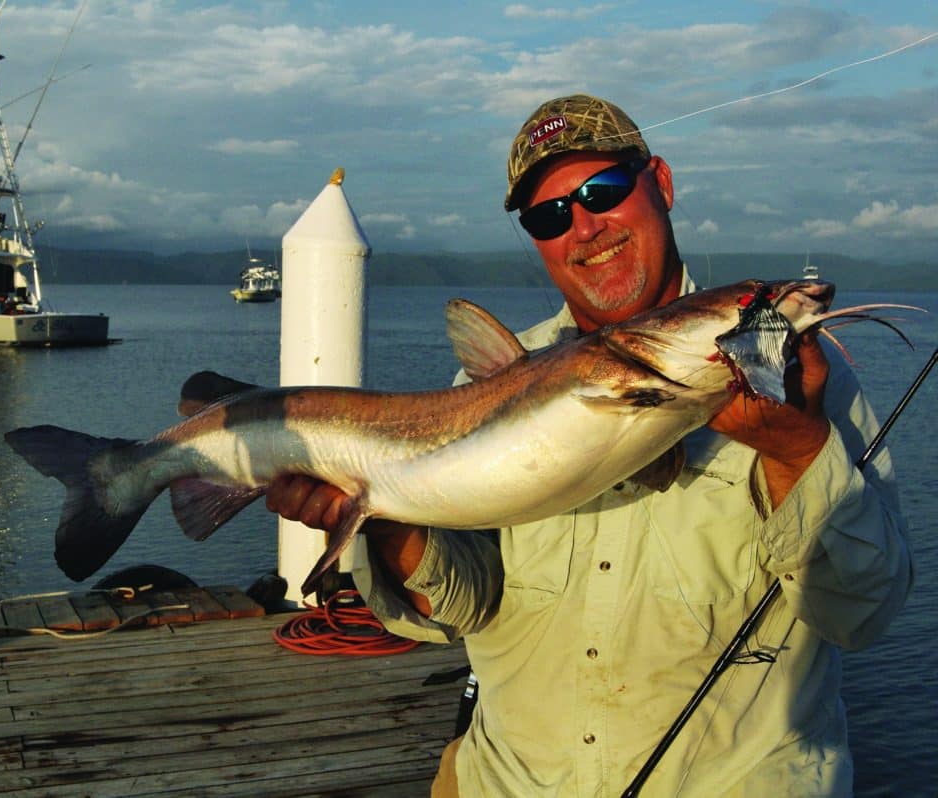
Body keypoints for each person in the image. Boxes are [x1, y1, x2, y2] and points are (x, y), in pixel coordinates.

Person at [265, 95, 912, 797]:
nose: (584, 226)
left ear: (659, 184)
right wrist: (381, 513)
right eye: (549, 215)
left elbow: (861, 612)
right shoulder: (494, 385)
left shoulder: (805, 379)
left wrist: (796, 454)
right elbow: (465, 607)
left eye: (601, 191)